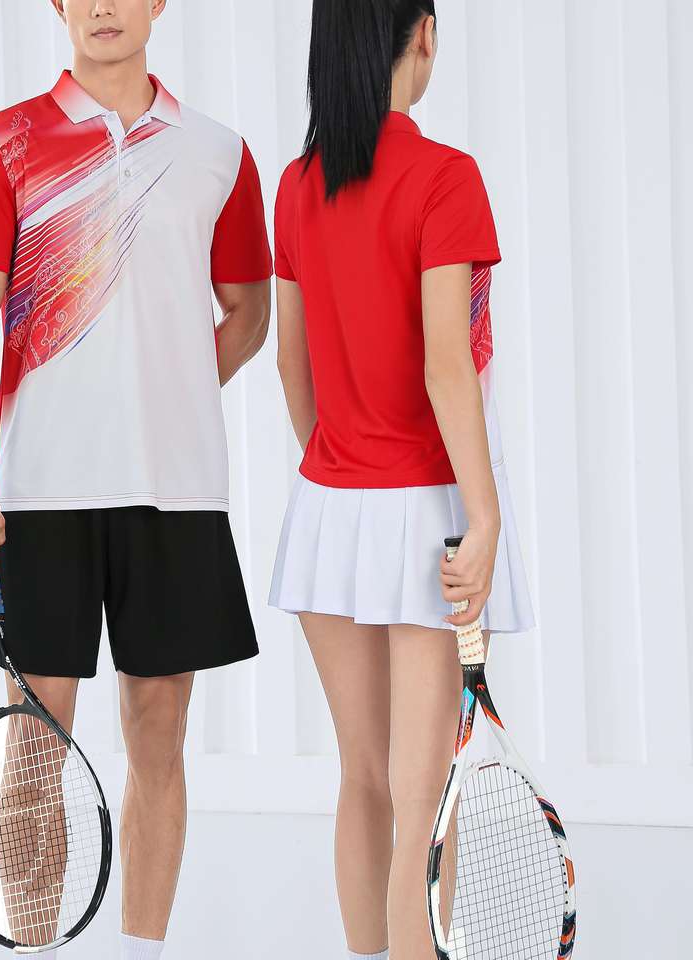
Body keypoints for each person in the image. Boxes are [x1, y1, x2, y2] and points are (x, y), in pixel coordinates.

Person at [0, 1, 273, 957]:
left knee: (159, 737)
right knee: (34, 746)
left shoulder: (218, 152)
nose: (102, 6)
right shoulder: (2, 144)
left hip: (177, 492)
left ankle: (139, 949)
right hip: (40, 494)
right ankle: (36, 946)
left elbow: (249, 312)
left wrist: (163, 392)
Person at [268, 3, 535, 958]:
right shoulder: (445, 177)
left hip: (326, 514)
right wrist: (485, 518)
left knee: (366, 779)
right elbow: (446, 367)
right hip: (426, 513)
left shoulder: (297, 184)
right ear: (423, 33)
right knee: (425, 798)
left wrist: (341, 466)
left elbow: (292, 365)